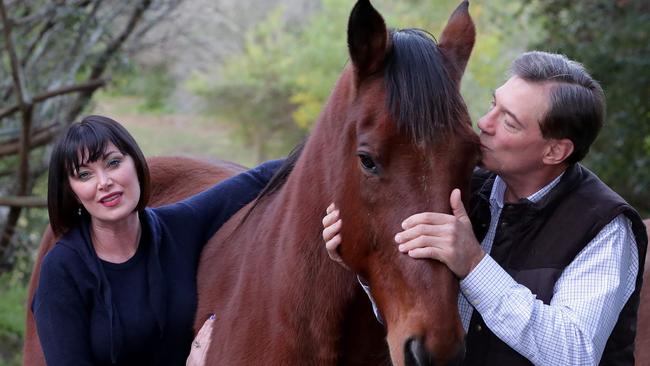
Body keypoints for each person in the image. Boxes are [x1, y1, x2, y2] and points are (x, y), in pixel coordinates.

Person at [322, 51, 648, 365]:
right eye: (494, 104)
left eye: (509, 122)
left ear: (555, 151)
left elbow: (574, 353)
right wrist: (360, 266)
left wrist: (475, 265)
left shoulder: (603, 225)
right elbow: (416, 316)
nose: (483, 122)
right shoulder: (463, 190)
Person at [33, 115, 282, 365]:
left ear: (136, 164)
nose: (104, 182)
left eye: (113, 162)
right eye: (85, 175)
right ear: (73, 193)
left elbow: (257, 179)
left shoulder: (178, 227)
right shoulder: (62, 270)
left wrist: (319, 147)